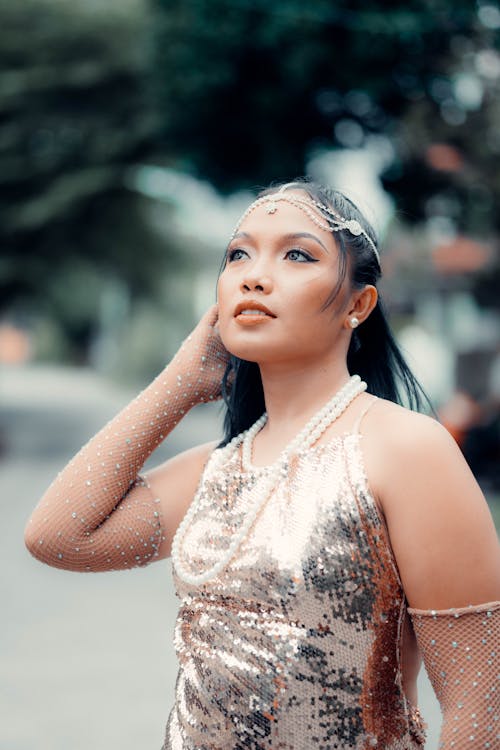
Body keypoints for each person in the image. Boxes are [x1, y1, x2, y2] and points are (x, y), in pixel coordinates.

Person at [24, 180, 499, 750]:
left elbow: (480, 711)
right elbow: (57, 537)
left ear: (357, 304)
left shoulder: (406, 451)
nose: (253, 274)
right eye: (237, 255)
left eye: (297, 254)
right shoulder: (218, 471)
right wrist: (182, 382)